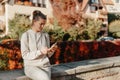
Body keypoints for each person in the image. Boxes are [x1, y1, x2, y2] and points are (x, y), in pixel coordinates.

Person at [20, 10, 57, 80]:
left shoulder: (45, 35)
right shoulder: (26, 35)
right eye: (41, 24)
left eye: (44, 24)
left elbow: (48, 55)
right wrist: (40, 52)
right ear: (34, 21)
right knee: (45, 78)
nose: (42, 26)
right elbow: (24, 55)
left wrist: (52, 50)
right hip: (31, 67)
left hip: (45, 66)